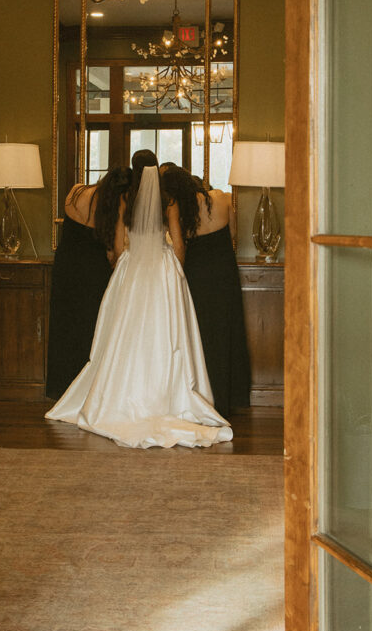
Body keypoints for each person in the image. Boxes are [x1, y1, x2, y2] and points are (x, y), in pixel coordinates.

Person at [45, 150, 232, 448]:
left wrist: (122, 268)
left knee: (126, 333)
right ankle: (165, 394)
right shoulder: (168, 200)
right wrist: (176, 270)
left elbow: (119, 245)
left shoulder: (124, 201)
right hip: (162, 267)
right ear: (156, 169)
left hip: (131, 268)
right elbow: (179, 244)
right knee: (163, 331)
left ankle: (121, 393)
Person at [161, 164, 251, 417]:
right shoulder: (222, 197)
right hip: (224, 272)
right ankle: (230, 395)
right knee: (227, 329)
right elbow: (233, 233)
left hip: (197, 274)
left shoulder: (180, 208)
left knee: (200, 333)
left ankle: (203, 394)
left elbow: (179, 246)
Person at [45, 165, 131, 401]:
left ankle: (60, 387)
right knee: (90, 327)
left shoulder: (75, 191)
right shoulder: (114, 204)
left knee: (64, 325)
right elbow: (119, 249)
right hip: (93, 271)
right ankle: (86, 390)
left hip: (65, 265)